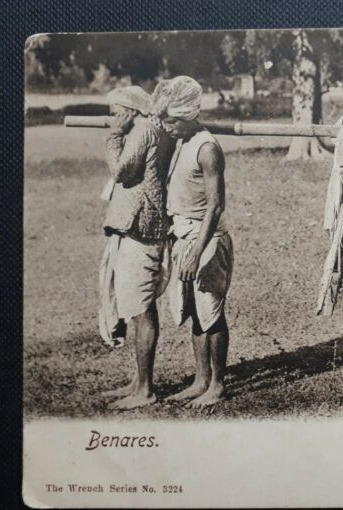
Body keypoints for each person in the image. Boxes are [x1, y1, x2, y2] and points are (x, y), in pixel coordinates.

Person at [153, 76, 234, 408]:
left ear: (187, 116)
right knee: (194, 312)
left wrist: (197, 253)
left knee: (211, 312)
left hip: (208, 240)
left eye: (171, 122)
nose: (166, 127)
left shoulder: (207, 148)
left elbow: (215, 206)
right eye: (163, 121)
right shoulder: (181, 141)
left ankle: (217, 384)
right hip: (184, 237)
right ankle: (200, 379)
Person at [98, 85, 174, 410]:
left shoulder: (143, 129)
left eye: (116, 112)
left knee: (140, 308)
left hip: (140, 227)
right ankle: (138, 381)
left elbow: (120, 171)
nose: (113, 117)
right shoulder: (151, 127)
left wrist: (114, 136)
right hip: (141, 224)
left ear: (128, 111)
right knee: (135, 305)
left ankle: (145, 390)